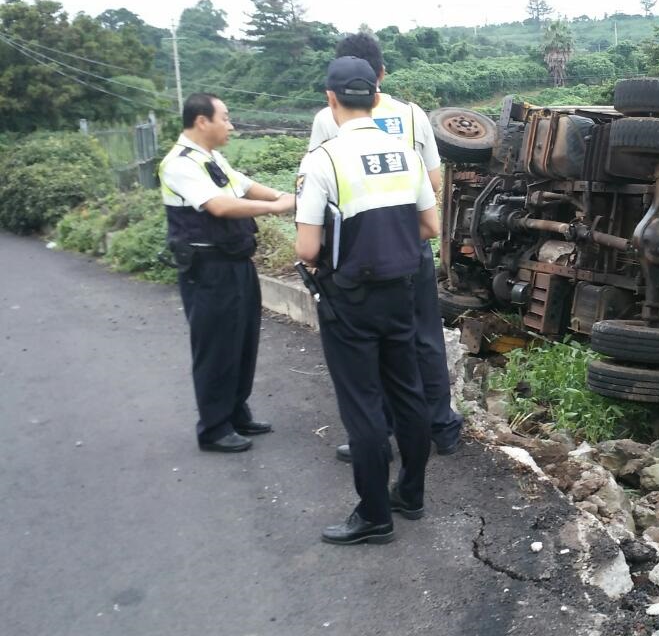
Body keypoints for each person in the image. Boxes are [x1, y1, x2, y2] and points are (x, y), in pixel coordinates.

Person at [296, 56, 439, 545]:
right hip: (401, 292)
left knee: (363, 407)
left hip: (350, 300)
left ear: (331, 99)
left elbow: (307, 249)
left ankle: (375, 515)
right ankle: (412, 496)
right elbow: (430, 227)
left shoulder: (323, 159)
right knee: (407, 393)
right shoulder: (405, 153)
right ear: (374, 96)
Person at [308, 33, 462, 463]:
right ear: (381, 75)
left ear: (337, 88)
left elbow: (318, 194)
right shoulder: (413, 115)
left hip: (358, 256)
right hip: (412, 246)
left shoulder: (328, 118)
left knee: (369, 348)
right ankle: (442, 427)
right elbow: (433, 183)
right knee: (425, 339)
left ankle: (376, 436)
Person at [160, 93, 295, 453]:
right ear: (202, 121)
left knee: (242, 340)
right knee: (216, 345)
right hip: (208, 269)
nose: (231, 125)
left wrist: (287, 195)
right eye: (226, 118)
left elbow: (244, 185)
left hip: (236, 262)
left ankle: (237, 411)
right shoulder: (179, 163)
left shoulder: (211, 158)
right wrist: (278, 208)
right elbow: (219, 205)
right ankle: (214, 427)